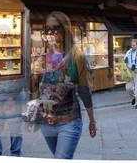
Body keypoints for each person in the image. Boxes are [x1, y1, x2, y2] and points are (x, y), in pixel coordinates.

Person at [34, 11, 97, 159]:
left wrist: (92, 121)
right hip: (46, 122)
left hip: (69, 122)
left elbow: (84, 91)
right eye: (47, 29)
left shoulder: (76, 56)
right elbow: (44, 86)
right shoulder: (49, 55)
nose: (50, 33)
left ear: (65, 29)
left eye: (55, 28)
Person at [123, 39, 137, 109]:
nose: (132, 46)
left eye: (134, 45)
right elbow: (124, 58)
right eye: (131, 45)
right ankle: (134, 97)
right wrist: (125, 60)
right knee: (128, 88)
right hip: (130, 71)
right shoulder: (129, 51)